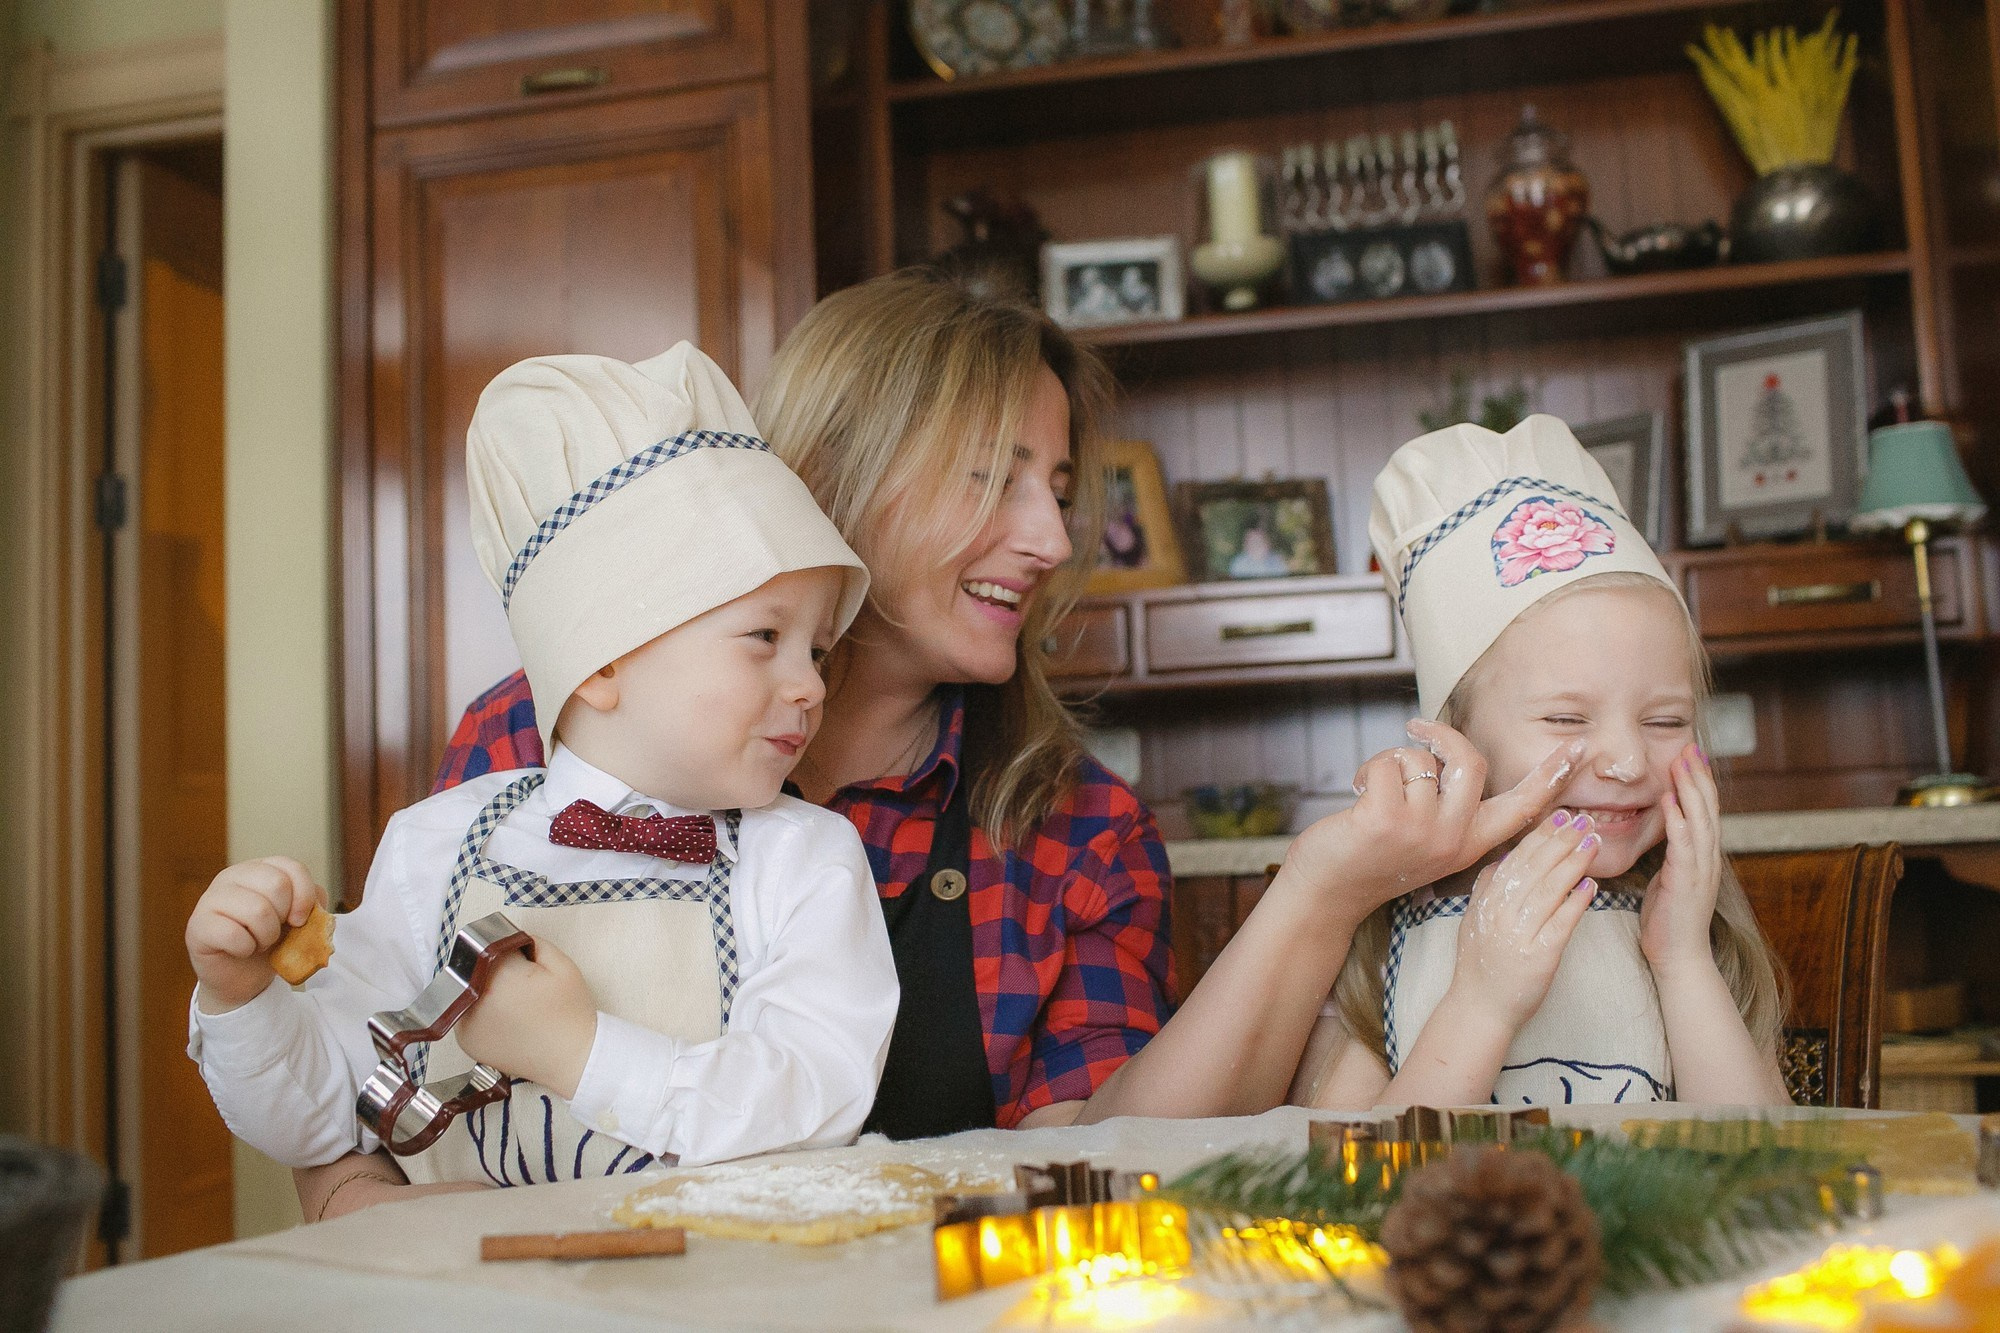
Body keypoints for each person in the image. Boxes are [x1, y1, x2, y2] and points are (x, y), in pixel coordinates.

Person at [295, 272, 1587, 1220]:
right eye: (993, 476)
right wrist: (358, 1207)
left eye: (1061, 491)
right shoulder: (538, 738)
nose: (1048, 536)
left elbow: (1116, 1154)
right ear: (835, 473)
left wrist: (1326, 884)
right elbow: (363, 1049)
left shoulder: (1074, 825)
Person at [184, 344, 896, 1190]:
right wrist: (242, 998)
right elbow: (325, 1114)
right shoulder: (433, 845)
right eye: (765, 637)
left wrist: (583, 1053)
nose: (812, 683)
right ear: (598, 662)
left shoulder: (807, 862)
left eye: (817, 647)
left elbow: (815, 1102)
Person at [1297, 414, 1791, 1108]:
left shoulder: (1697, 932)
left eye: (1666, 720)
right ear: (1454, 737)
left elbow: (1770, 1175)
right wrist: (1482, 1005)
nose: (1625, 760)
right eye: (1566, 718)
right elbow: (1348, 1188)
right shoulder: (1395, 943)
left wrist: (1681, 960)